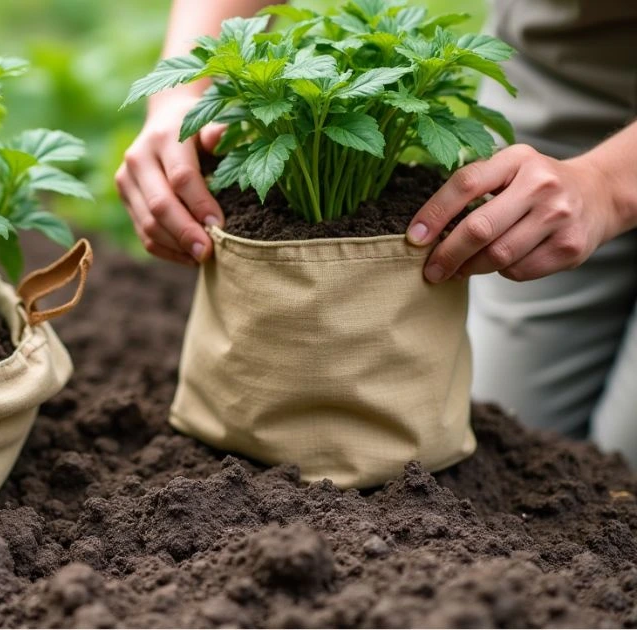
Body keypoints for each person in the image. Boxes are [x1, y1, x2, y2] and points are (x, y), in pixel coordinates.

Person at [117, 0, 637, 462]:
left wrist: (607, 186)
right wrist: (179, 99)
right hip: (566, 73)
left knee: (625, 459)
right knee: (511, 420)